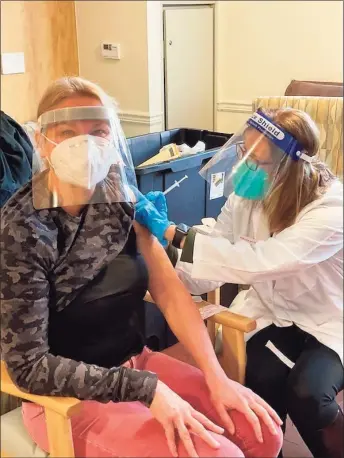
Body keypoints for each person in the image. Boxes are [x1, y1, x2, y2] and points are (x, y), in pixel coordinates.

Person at [1, 77, 283, 458]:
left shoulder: (115, 188)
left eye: (98, 132)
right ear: (42, 141)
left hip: (137, 363)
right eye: (67, 132)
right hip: (68, 398)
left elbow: (167, 287)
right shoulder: (22, 230)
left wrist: (217, 376)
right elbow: (29, 367)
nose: (84, 146)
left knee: (262, 433)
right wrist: (146, 390)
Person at [135, 108, 344, 458]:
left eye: (255, 159)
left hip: (328, 320)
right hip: (271, 312)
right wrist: (165, 264)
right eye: (242, 152)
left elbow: (261, 261)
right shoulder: (246, 195)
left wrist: (171, 232)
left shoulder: (330, 211)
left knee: (309, 393)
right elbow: (214, 257)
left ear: (289, 168)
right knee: (259, 379)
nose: (243, 166)